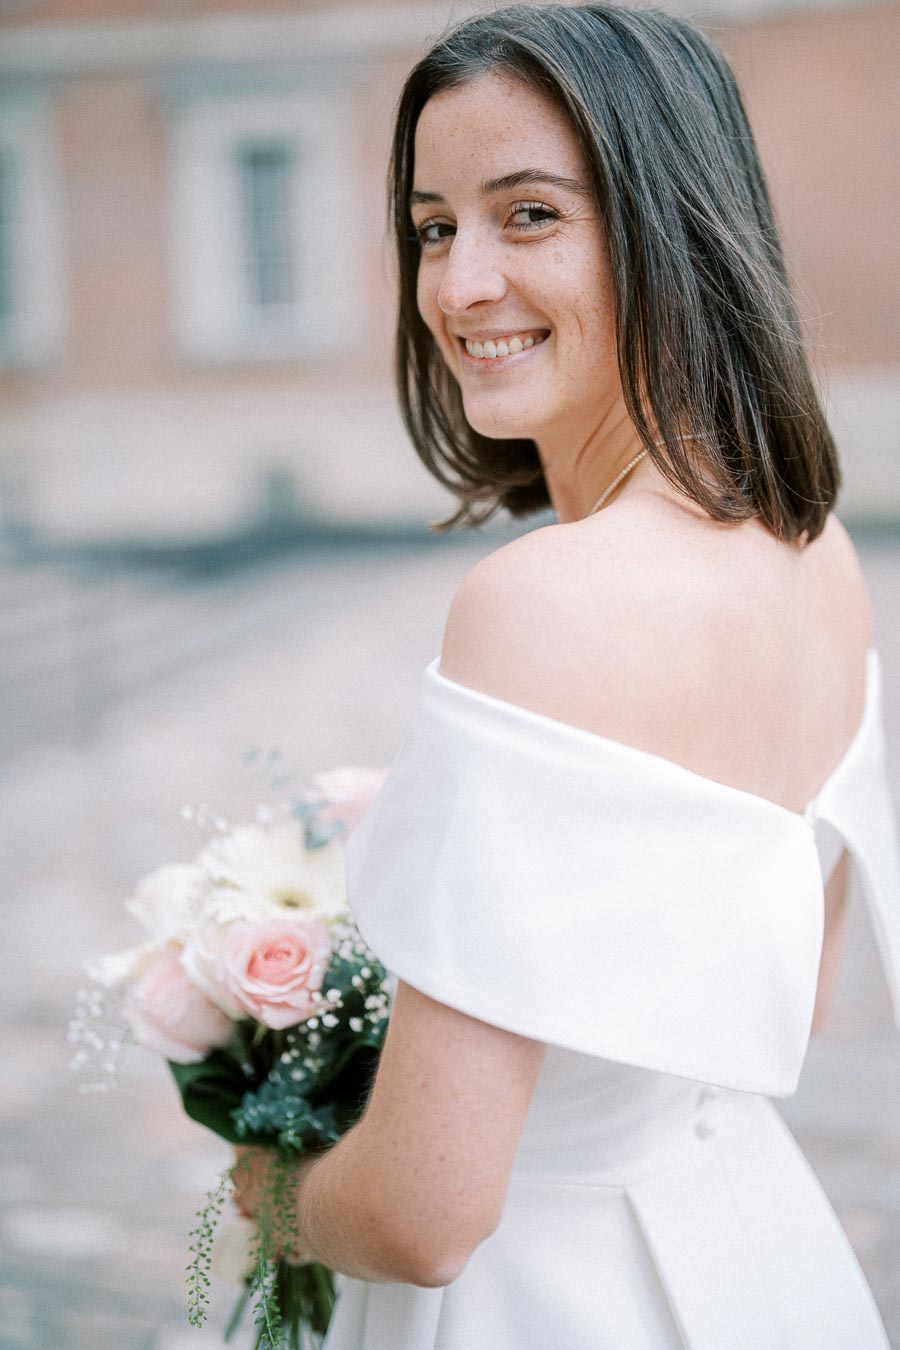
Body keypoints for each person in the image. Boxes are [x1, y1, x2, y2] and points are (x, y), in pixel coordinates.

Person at [234, 5, 900, 1345]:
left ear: (674, 224)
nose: (459, 283)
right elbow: (793, 992)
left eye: (527, 215)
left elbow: (426, 1212)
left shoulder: (541, 605)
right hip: (751, 1253)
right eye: (432, 227)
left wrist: (263, 1188)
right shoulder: (813, 546)